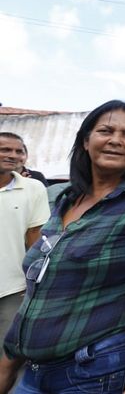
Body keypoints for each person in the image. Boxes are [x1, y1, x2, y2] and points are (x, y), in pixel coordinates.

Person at [0, 100, 125, 394]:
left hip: (94, 373)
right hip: (35, 372)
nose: (115, 140)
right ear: (86, 141)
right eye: (106, 131)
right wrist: (8, 364)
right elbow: (41, 287)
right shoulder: (67, 200)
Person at [0, 133, 49, 342]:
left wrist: (33, 283)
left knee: (8, 349)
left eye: (18, 151)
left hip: (13, 288)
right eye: (5, 149)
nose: (13, 155)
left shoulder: (34, 188)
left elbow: (35, 239)